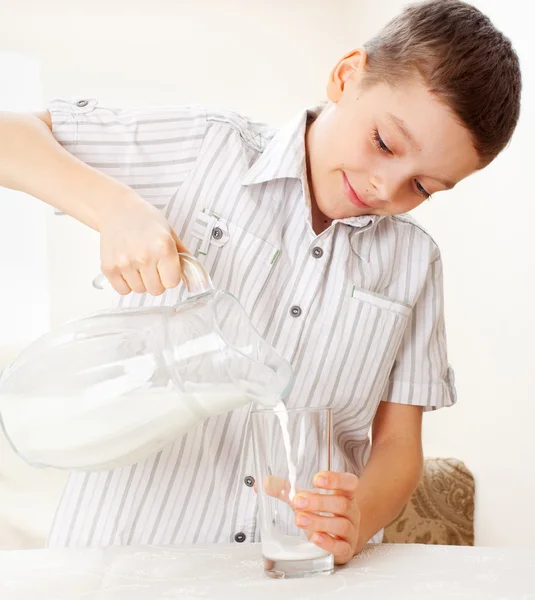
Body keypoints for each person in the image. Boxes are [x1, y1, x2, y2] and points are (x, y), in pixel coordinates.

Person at [0, 0, 521, 564]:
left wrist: (358, 517)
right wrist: (113, 206)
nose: (385, 189)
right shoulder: (207, 150)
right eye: (386, 144)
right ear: (347, 76)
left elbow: (398, 445)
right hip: (123, 558)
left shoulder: (413, 263)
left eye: (423, 187)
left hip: (294, 571)